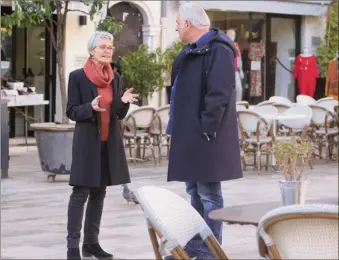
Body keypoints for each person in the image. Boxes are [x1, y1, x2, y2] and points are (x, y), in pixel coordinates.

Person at [166, 3, 243, 259]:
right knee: (194, 193)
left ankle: (210, 251)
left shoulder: (218, 49)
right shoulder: (192, 50)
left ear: (188, 24)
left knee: (209, 195)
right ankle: (195, 247)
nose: (176, 27)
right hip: (189, 137)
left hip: (206, 137)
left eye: (178, 23)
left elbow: (220, 93)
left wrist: (206, 128)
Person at [66, 31, 138, 260]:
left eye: (111, 47)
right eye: (103, 46)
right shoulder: (77, 77)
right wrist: (90, 108)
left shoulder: (115, 78)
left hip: (109, 143)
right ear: (91, 50)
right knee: (80, 194)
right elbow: (71, 111)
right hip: (88, 144)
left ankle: (91, 243)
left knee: (99, 194)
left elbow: (116, 113)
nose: (108, 50)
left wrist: (123, 103)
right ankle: (72, 247)